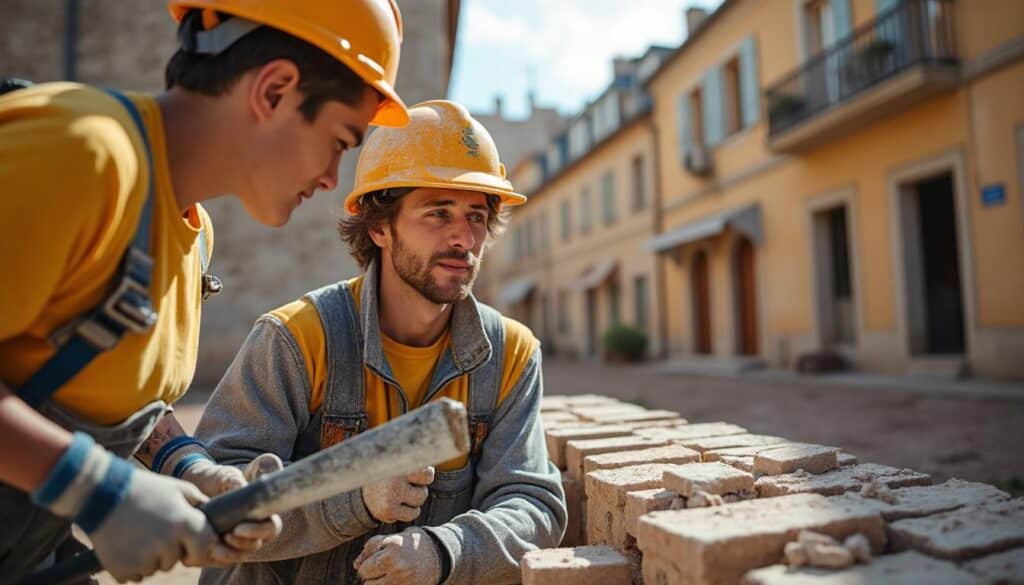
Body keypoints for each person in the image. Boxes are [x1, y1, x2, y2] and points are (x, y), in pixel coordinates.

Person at [0, 1, 407, 582]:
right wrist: (98, 491)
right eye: (340, 141)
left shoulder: (191, 233)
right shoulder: (81, 155)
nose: (330, 179)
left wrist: (189, 467)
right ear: (274, 91)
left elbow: (95, 383)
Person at [195, 100, 567, 585]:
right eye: (438, 213)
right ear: (379, 227)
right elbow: (216, 505)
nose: (464, 237)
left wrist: (443, 550)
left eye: (476, 216)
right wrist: (354, 497)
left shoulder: (511, 355)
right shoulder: (297, 340)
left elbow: (532, 502)